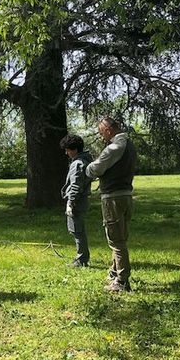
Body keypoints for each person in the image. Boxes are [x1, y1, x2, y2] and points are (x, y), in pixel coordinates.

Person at [85, 117, 137, 292]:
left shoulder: (115, 147)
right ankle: (114, 272)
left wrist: (88, 167)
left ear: (108, 129)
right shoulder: (129, 145)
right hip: (127, 195)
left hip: (113, 197)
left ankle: (122, 281)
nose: (102, 137)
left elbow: (97, 168)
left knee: (116, 240)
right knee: (121, 237)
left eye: (101, 133)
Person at [59, 133, 93, 268]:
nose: (66, 153)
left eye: (67, 150)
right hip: (80, 200)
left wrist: (70, 203)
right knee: (76, 230)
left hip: (77, 201)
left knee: (77, 230)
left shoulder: (78, 164)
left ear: (74, 150)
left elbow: (75, 186)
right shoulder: (83, 161)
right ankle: (82, 256)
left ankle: (82, 259)